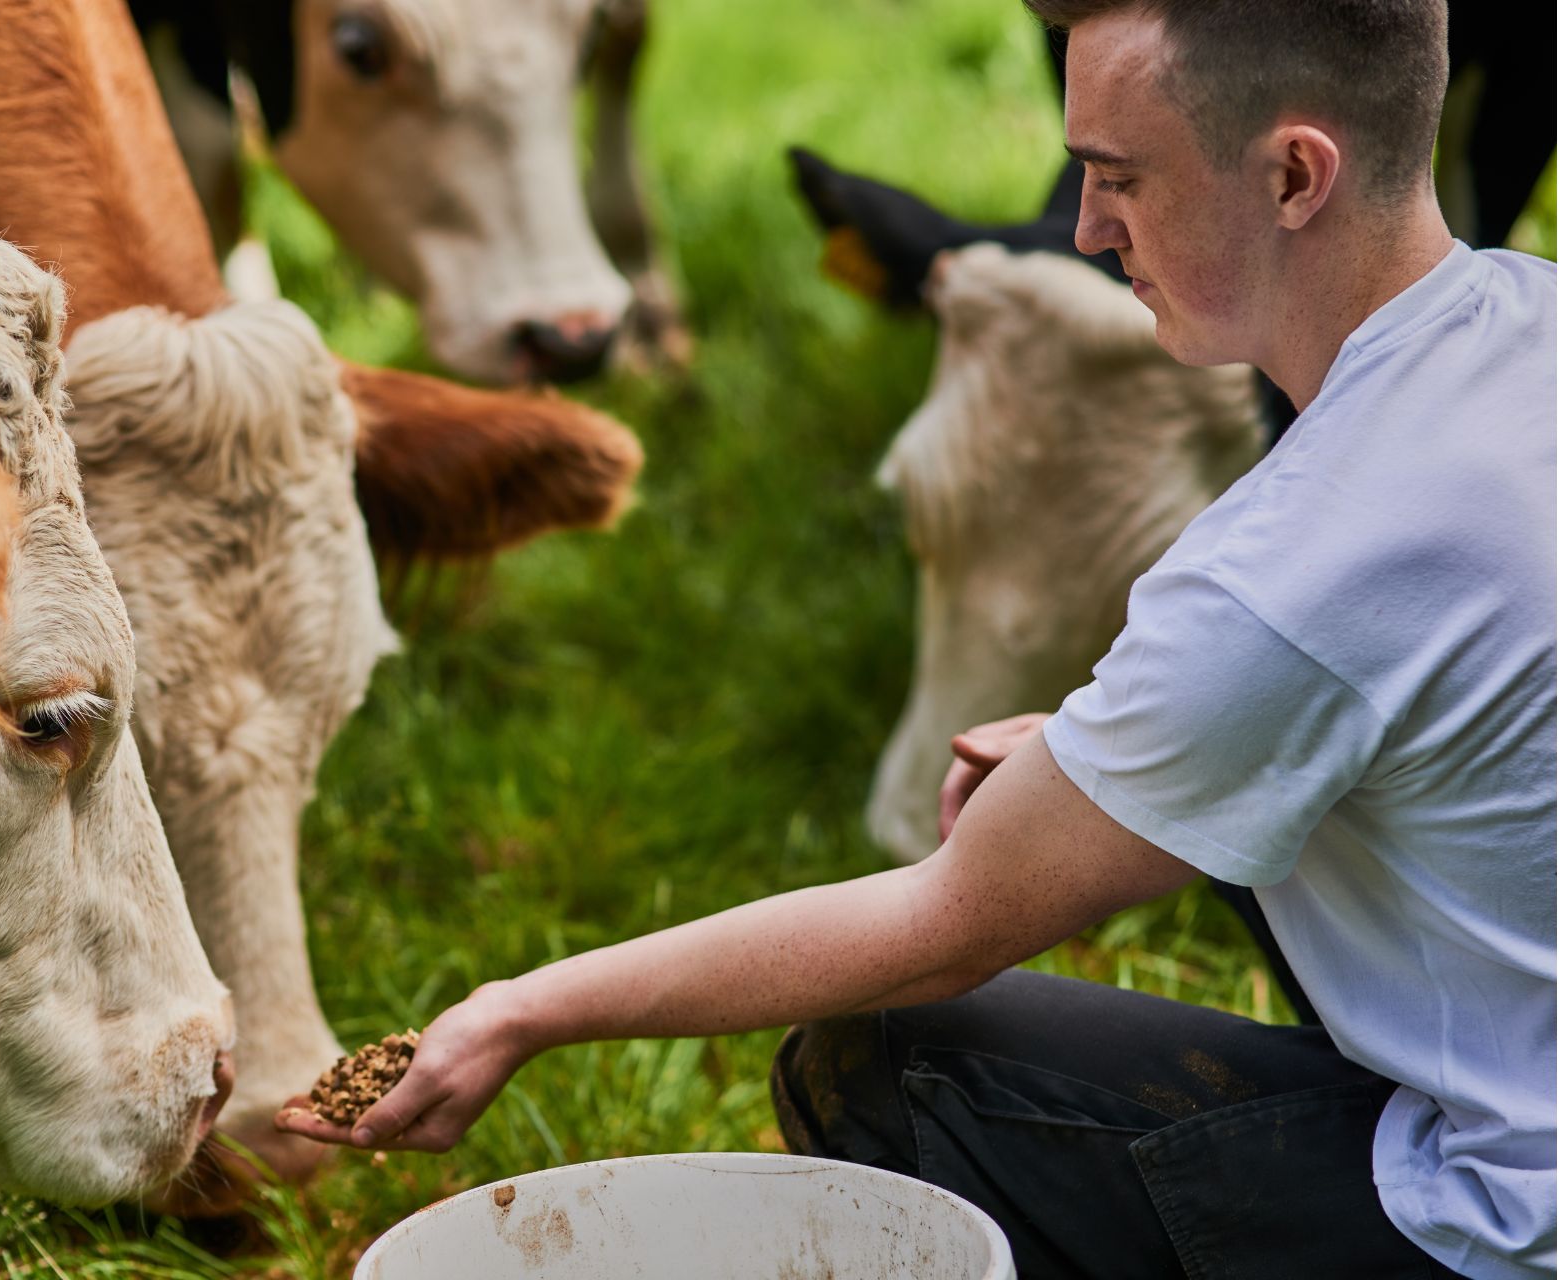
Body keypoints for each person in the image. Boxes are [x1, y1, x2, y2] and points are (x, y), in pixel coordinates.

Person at [277, 2, 1556, 1275]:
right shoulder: (1524, 328)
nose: (1088, 227)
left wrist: (522, 1008)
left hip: (1511, 1218)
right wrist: (1090, 749)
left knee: (888, 1061)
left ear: (1292, 174)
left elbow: (944, 924)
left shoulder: (1292, 571)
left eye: (1121, 177)